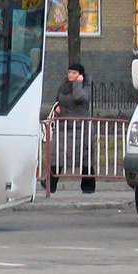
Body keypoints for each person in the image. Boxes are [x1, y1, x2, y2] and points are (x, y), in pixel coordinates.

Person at [50, 62, 95, 193]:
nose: (70, 75)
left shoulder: (84, 86)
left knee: (85, 155)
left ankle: (88, 186)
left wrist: (77, 84)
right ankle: (50, 184)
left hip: (82, 127)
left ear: (80, 75)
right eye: (69, 72)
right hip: (64, 125)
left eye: (74, 73)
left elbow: (79, 97)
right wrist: (57, 106)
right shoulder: (64, 85)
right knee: (58, 154)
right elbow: (59, 98)